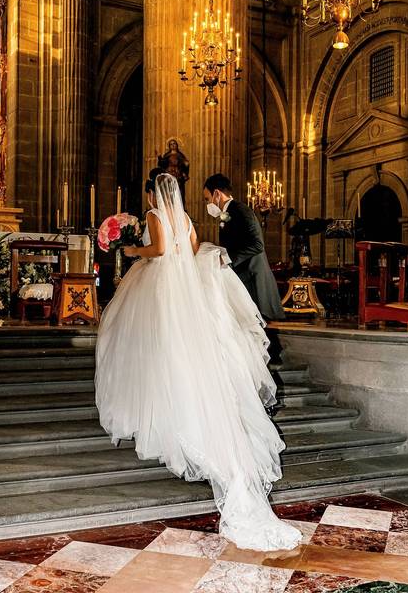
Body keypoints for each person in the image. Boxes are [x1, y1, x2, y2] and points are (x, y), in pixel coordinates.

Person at [95, 173, 300, 552]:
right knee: (181, 349)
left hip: (158, 287)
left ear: (155, 194)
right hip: (183, 292)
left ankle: (163, 411)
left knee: (154, 345)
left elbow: (158, 250)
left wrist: (131, 252)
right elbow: (188, 253)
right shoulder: (187, 219)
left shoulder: (155, 215)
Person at [203, 173, 285, 322]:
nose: (207, 204)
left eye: (207, 199)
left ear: (217, 194)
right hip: (243, 279)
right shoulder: (228, 213)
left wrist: (226, 258)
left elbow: (257, 244)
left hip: (254, 281)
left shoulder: (241, 210)